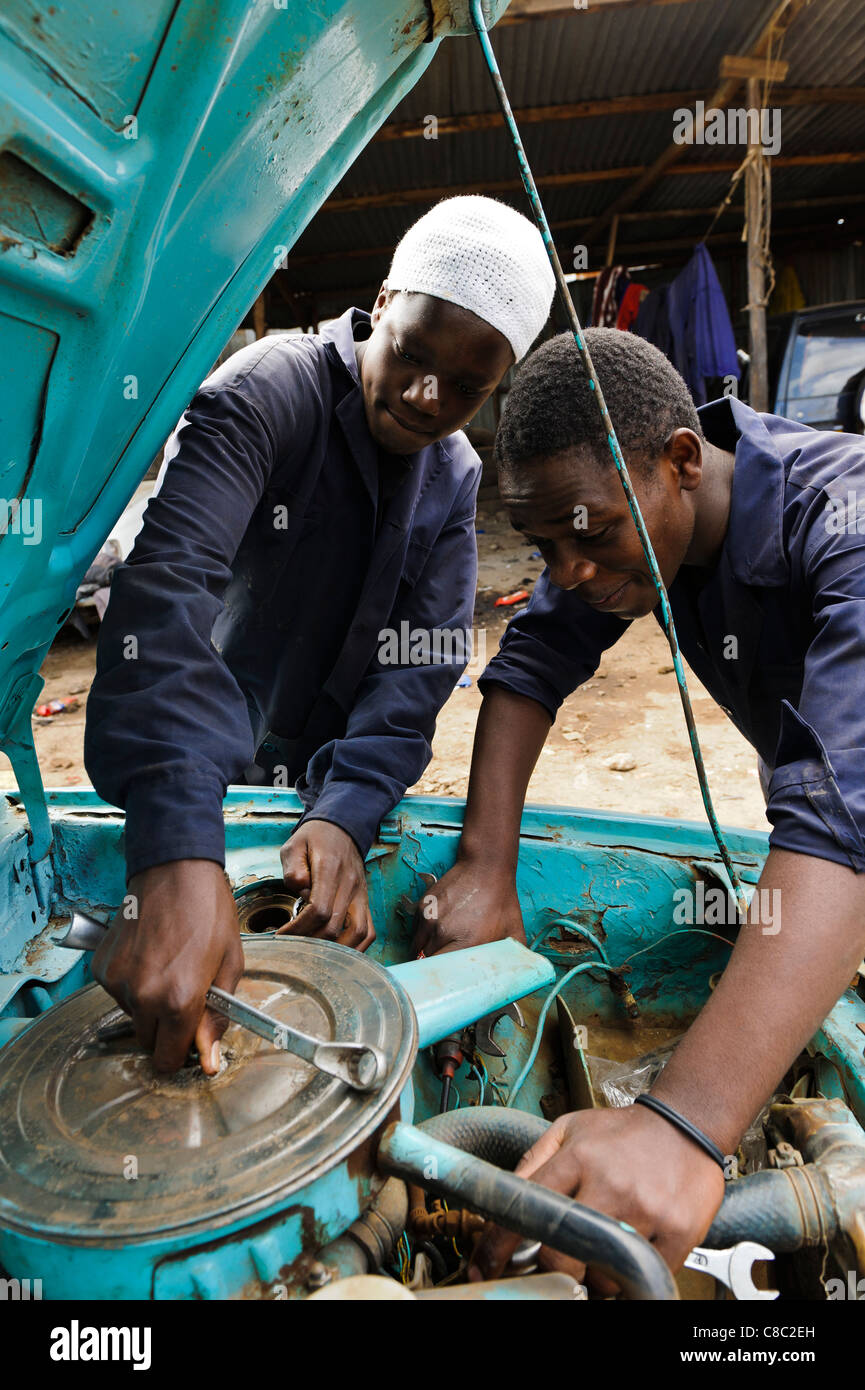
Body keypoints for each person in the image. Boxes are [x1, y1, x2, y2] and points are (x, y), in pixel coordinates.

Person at [416, 327, 865, 1287]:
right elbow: (529, 665)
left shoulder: (845, 526)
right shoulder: (624, 520)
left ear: (682, 462)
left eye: (586, 536)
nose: (567, 570)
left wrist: (683, 1125)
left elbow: (839, 818)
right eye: (543, 544)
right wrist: (487, 868)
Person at [83, 195, 554, 1075]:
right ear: (381, 303)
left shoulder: (453, 479)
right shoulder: (269, 389)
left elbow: (420, 669)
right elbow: (164, 592)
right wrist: (178, 845)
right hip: (194, 766)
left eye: (466, 387)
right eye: (414, 355)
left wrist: (345, 811)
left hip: (316, 787)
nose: (426, 396)